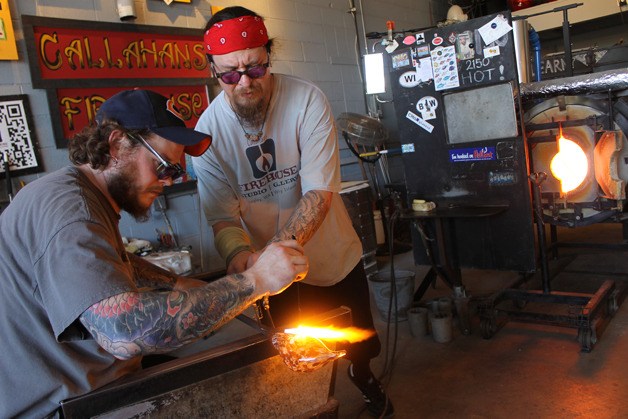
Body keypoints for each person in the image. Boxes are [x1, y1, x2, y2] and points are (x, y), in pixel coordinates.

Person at [0, 89, 308, 418]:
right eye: (163, 167)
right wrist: (256, 281)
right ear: (117, 145)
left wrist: (173, 283)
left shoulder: (75, 194)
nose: (169, 182)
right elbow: (126, 333)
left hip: (84, 391)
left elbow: (105, 264)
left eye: (175, 172)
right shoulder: (72, 212)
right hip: (59, 409)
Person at [193, 7, 394, 417]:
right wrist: (244, 260)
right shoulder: (206, 135)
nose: (244, 82)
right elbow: (223, 218)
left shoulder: (306, 100)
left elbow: (319, 192)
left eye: (254, 68)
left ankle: (363, 376)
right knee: (293, 353)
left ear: (269, 55)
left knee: (358, 341)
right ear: (212, 69)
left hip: (331, 254)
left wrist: (277, 252)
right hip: (272, 274)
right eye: (229, 74)